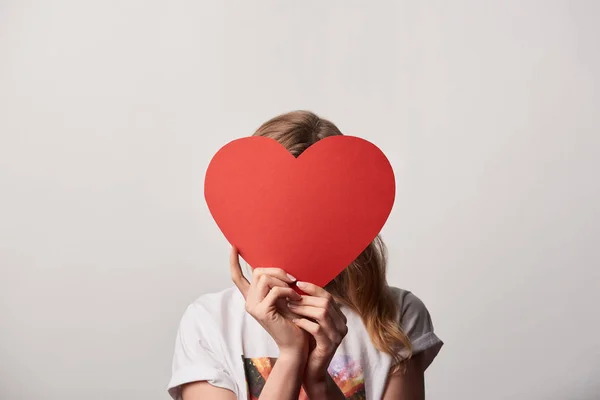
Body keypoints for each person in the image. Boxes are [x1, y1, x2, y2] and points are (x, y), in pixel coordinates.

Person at [167, 111, 443, 400]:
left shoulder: (398, 315)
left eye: (316, 214)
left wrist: (318, 381)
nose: (296, 232)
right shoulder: (209, 321)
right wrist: (291, 355)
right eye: (279, 213)